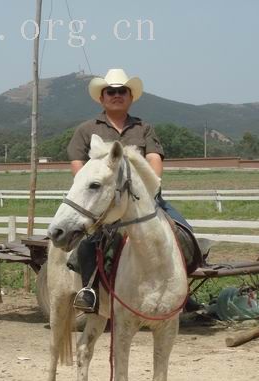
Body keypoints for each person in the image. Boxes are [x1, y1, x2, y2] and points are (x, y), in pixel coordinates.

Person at [66, 69, 192, 312]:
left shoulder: (143, 128)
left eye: (121, 91)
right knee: (89, 242)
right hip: (104, 203)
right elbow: (78, 167)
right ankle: (89, 290)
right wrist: (95, 193)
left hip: (144, 200)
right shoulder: (87, 129)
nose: (116, 95)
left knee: (184, 234)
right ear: (101, 98)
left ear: (130, 96)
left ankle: (180, 289)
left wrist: (150, 187)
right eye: (110, 91)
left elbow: (154, 159)